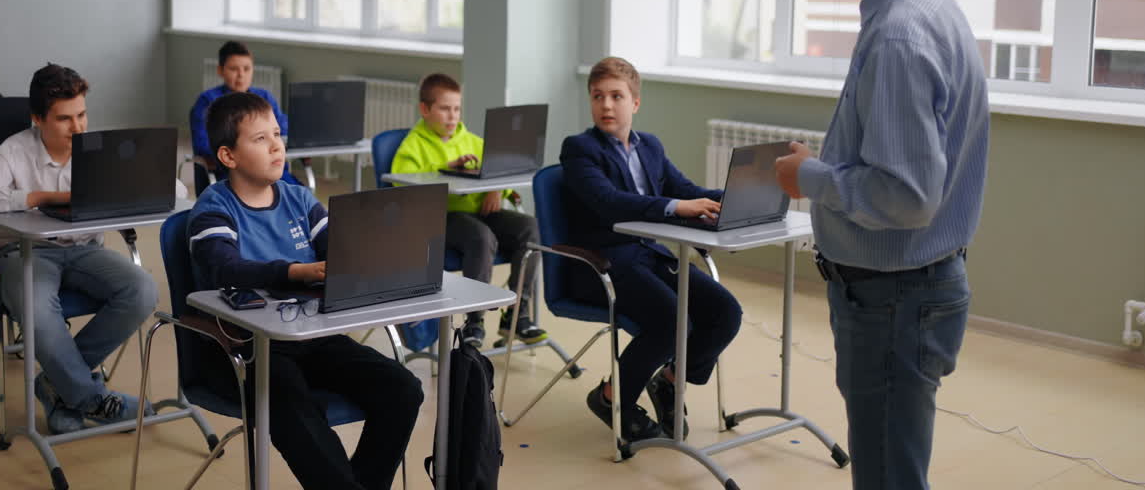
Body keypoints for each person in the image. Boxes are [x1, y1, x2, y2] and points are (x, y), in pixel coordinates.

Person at [774, 0, 989, 490]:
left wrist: (806, 177)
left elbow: (906, 197)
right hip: (904, 293)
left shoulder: (900, 30)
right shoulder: (923, 1)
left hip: (895, 298)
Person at [189, 91, 422, 490]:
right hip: (249, 349)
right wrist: (297, 271)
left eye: (277, 134)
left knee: (402, 388)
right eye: (260, 139)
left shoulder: (299, 199)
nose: (277, 145)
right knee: (290, 399)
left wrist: (375, 257)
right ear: (228, 156)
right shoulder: (214, 208)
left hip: (313, 337)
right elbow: (224, 268)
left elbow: (340, 249)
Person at [0, 63, 157, 433]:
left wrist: (138, 184)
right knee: (38, 312)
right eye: (65, 119)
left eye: (81, 114)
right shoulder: (12, 153)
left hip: (85, 251)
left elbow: (172, 191)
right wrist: (44, 197)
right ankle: (91, 398)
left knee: (143, 290)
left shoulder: (96, 146)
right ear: (38, 119)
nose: (78, 127)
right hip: (26, 252)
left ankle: (56, 385)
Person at [560, 57, 742, 442]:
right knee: (672, 321)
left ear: (635, 103)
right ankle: (612, 398)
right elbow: (609, 202)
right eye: (597, 96)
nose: (606, 105)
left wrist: (737, 199)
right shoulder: (579, 149)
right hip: (602, 266)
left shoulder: (650, 147)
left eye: (616, 96)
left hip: (647, 258)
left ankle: (668, 381)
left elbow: (687, 192)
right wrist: (675, 207)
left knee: (726, 312)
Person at [390, 73, 546, 349]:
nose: (452, 116)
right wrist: (450, 169)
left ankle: (517, 313)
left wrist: (496, 190)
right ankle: (475, 320)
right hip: (442, 219)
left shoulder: (474, 141)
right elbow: (407, 192)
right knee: (481, 236)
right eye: (444, 109)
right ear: (425, 109)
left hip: (481, 210)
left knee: (531, 228)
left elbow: (501, 175)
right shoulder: (412, 147)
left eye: (457, 109)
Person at [189, 41, 292, 190]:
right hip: (233, 175)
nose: (241, 75)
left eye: (247, 69)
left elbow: (284, 129)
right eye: (233, 69)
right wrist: (252, 155)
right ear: (220, 70)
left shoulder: (263, 97)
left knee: (300, 199)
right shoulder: (208, 101)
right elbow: (204, 145)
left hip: (274, 173)